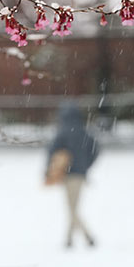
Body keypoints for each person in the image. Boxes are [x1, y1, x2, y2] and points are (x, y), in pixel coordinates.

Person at [47, 103, 99, 248]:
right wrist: (86, 165)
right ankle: (69, 239)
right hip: (80, 175)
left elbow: (52, 152)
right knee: (73, 207)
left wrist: (49, 170)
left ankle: (87, 236)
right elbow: (95, 150)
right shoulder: (85, 132)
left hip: (67, 174)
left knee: (72, 208)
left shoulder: (62, 133)